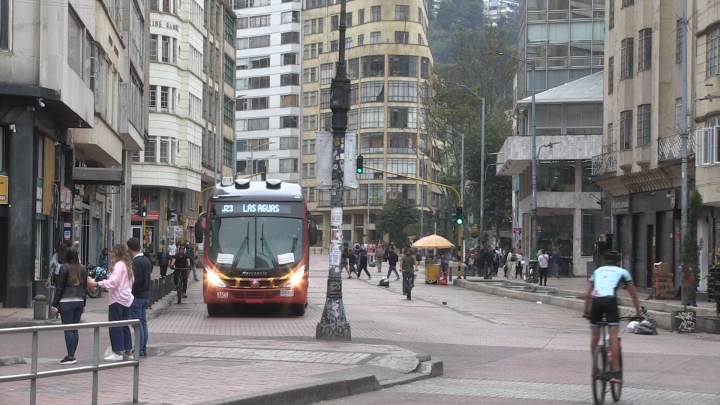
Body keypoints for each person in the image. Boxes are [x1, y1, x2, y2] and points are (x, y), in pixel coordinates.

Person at [583, 250, 641, 384]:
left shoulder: (597, 271)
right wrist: (638, 313)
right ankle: (615, 373)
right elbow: (634, 295)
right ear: (618, 262)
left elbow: (587, 295)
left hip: (596, 302)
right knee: (613, 336)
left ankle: (596, 368)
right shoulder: (622, 272)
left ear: (604, 261)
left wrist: (586, 311)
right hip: (610, 301)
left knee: (594, 337)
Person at [88, 244, 135, 362]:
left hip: (117, 299)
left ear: (117, 253)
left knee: (115, 325)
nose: (111, 254)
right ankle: (128, 351)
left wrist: (98, 283)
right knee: (124, 325)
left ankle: (117, 351)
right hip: (126, 299)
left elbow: (113, 282)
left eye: (113, 251)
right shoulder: (127, 266)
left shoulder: (119, 265)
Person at [51, 248, 88, 365]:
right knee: (74, 328)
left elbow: (60, 287)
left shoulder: (64, 267)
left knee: (68, 328)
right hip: (79, 300)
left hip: (66, 301)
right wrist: (84, 304)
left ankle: (71, 356)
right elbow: (84, 287)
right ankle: (72, 354)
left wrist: (54, 304)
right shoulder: (82, 268)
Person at [127, 238, 152, 358]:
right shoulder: (146, 260)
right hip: (145, 295)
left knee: (137, 324)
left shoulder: (136, 262)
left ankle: (140, 348)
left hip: (137, 296)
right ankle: (143, 347)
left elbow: (137, 281)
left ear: (129, 248)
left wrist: (132, 293)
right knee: (143, 323)